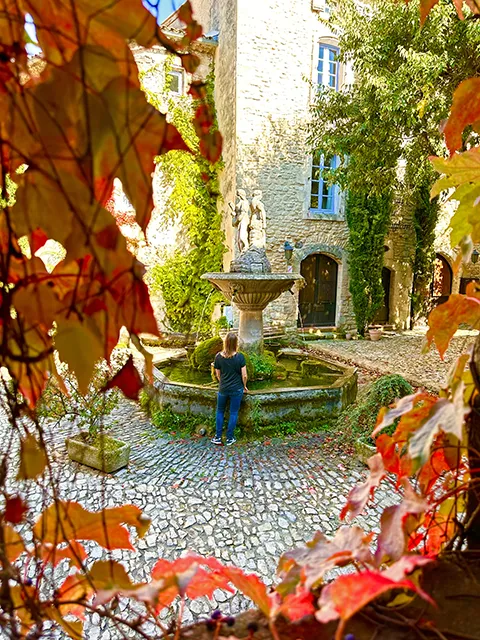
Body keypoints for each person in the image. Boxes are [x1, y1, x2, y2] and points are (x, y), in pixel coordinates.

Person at [211, 332, 248, 446]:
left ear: (225, 342)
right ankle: (229, 438)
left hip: (223, 389)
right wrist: (244, 386)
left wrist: (223, 383)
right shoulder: (240, 357)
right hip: (236, 390)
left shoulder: (218, 357)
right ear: (235, 343)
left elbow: (218, 374)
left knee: (220, 411)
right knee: (233, 413)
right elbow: (244, 375)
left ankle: (218, 437)